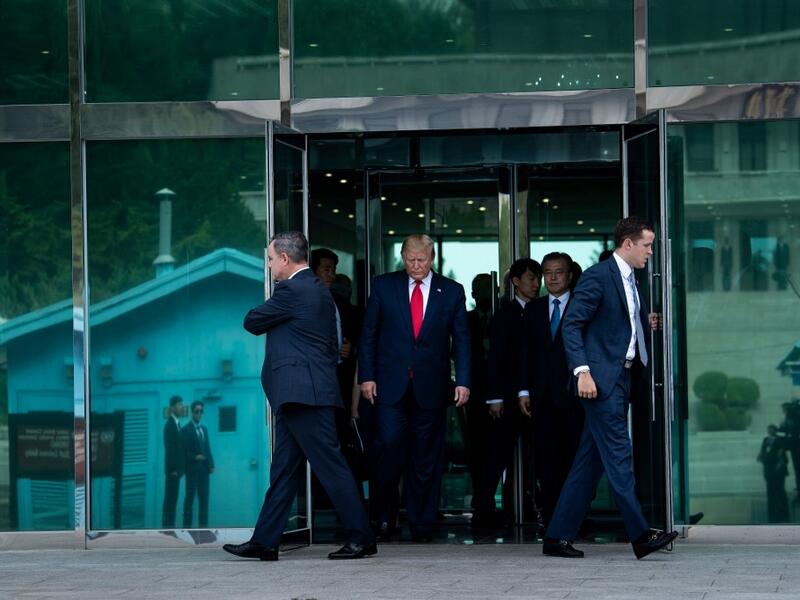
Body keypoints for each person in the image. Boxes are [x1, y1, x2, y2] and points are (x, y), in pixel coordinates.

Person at [224, 232, 374, 561]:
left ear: (286, 260)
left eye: (270, 259)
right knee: (285, 471)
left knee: (331, 467)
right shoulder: (317, 290)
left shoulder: (293, 288)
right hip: (305, 394)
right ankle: (265, 541)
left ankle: (361, 537)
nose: (269, 264)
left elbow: (252, 321)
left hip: (303, 394)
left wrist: (276, 321)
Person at [543, 216, 678, 560]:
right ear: (628, 244)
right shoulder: (597, 276)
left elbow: (615, 324)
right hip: (601, 382)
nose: (651, 251)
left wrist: (645, 323)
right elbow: (572, 325)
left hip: (622, 379)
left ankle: (556, 536)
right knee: (619, 455)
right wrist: (583, 372)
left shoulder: (632, 278)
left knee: (589, 462)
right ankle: (641, 534)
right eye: (647, 244)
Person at [359, 233, 471, 542]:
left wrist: (463, 380)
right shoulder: (384, 285)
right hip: (389, 387)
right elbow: (368, 334)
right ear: (402, 256)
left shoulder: (451, 291)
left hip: (431, 387)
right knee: (389, 451)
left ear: (432, 258)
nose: (416, 265)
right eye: (410, 259)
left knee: (426, 458)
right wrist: (366, 376)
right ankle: (384, 516)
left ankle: (422, 524)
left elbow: (462, 339)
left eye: (421, 260)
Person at [472, 259, 542, 528]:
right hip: (507, 396)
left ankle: (529, 505)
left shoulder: (539, 311)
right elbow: (496, 360)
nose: (536, 284)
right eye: (530, 279)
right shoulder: (505, 314)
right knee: (499, 455)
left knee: (536, 455)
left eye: (538, 279)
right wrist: (495, 398)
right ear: (515, 282)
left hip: (535, 395)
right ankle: (483, 510)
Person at [518, 252, 584, 530]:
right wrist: (523, 390)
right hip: (541, 397)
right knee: (546, 461)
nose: (553, 277)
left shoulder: (582, 306)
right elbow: (523, 353)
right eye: (547, 272)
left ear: (570, 276)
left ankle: (575, 517)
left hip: (575, 396)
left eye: (559, 272)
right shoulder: (533, 309)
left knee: (574, 460)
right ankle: (553, 519)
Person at [182, 400, 214, 528]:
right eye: (196, 411)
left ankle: (203, 528)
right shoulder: (185, 430)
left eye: (201, 412)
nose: (199, 414)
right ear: (192, 412)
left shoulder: (204, 429)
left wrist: (211, 464)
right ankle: (187, 528)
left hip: (204, 471)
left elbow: (207, 448)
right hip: (192, 470)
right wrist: (195, 456)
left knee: (204, 499)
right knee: (189, 499)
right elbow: (183, 453)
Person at [758, 425, 790, 523]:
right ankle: (773, 510)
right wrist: (762, 458)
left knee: (780, 489)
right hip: (768, 469)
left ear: (775, 430)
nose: (769, 431)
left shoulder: (781, 439)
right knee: (770, 490)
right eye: (768, 429)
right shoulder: (765, 440)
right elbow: (762, 452)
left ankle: (783, 510)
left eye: (771, 429)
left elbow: (784, 453)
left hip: (779, 469)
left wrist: (780, 460)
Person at [162, 395, 184, 528]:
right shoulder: (170, 425)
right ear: (172, 407)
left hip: (176, 471)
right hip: (173, 472)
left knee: (172, 500)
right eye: (179, 405)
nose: (181, 407)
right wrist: (174, 470)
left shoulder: (177, 423)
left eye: (181, 405)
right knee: (170, 501)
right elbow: (170, 450)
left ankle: (170, 527)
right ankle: (167, 529)